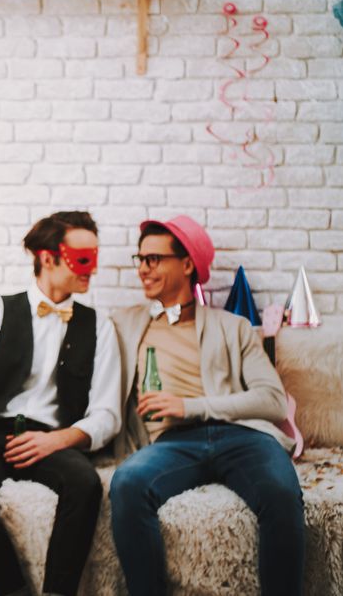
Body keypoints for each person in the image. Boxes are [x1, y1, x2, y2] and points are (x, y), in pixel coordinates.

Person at [108, 215, 303, 596]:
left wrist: (190, 405)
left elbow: (273, 400)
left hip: (243, 436)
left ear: (187, 264)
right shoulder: (123, 324)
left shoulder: (233, 327)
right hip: (170, 442)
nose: (143, 269)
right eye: (140, 259)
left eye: (154, 259)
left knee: (281, 492)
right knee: (127, 482)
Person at [0, 211, 121, 596]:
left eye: (94, 257)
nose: (92, 269)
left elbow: (107, 413)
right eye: (82, 259)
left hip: (52, 436)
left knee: (86, 483)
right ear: (48, 258)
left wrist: (57, 440)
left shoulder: (100, 326)